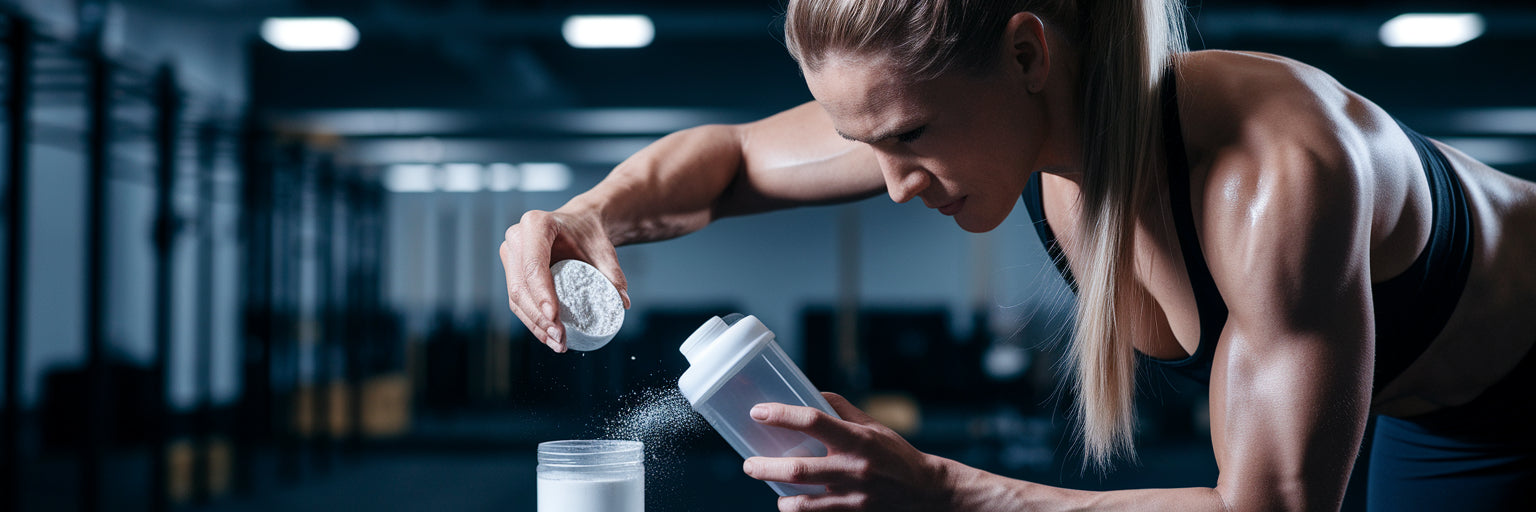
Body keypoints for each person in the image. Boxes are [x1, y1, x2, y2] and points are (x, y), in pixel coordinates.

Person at [499, 0, 1536, 510]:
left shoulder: (1270, 174)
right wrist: (593, 212)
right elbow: (726, 163)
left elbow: (1267, 509)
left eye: (907, 137)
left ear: (1030, 54)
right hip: (1428, 412)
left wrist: (948, 492)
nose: (891, 182)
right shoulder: (994, 117)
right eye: (866, 143)